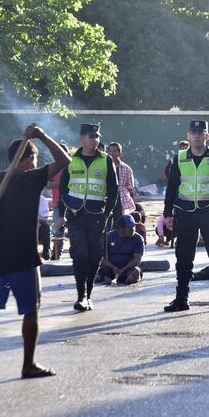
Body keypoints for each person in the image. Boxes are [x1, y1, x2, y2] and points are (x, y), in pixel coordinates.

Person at [0, 124, 71, 385]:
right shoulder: (30, 178)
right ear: (28, 159)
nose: (35, 164)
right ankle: (28, 364)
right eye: (34, 159)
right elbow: (64, 160)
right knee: (31, 312)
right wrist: (43, 135)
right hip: (23, 260)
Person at [163, 120, 209, 312]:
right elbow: (171, 187)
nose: (196, 136)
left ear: (207, 136)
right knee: (183, 257)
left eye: (200, 133)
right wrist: (167, 213)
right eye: (193, 133)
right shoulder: (179, 158)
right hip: (185, 212)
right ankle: (181, 299)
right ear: (188, 136)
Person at [58, 123, 118, 312]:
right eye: (91, 137)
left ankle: (89, 295)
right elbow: (62, 190)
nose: (95, 140)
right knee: (80, 254)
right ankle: (81, 295)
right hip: (75, 215)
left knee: (94, 256)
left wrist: (107, 213)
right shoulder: (71, 160)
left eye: (97, 137)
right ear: (81, 138)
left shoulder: (106, 160)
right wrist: (60, 215)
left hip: (97, 216)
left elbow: (114, 190)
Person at [97, 214, 144, 285]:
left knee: (136, 271)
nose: (133, 229)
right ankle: (103, 277)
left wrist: (123, 269)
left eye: (134, 226)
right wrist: (113, 268)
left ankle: (128, 278)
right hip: (110, 268)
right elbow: (100, 258)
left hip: (128, 269)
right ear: (121, 228)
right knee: (95, 271)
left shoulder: (138, 238)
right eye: (130, 227)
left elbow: (137, 259)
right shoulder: (108, 237)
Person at [46, 143, 69, 260]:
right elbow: (47, 184)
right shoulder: (53, 168)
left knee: (75, 230)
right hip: (57, 204)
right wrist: (62, 184)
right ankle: (56, 254)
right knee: (57, 230)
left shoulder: (73, 166)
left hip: (73, 204)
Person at [108, 142, 135, 227]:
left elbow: (130, 187)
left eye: (115, 151)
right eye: (110, 151)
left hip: (120, 199)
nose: (112, 153)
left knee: (119, 221)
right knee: (106, 221)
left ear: (120, 154)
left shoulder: (126, 168)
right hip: (106, 197)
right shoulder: (103, 167)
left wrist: (122, 192)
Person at [37, 193, 51, 260]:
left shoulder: (42, 200)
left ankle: (46, 252)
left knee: (45, 227)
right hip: (26, 228)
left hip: (38, 227)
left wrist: (36, 217)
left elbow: (45, 219)